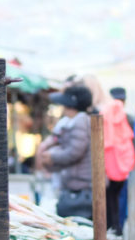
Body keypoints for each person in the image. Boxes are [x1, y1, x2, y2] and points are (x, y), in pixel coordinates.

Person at [81, 75, 134, 233]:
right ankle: (117, 236)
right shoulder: (124, 116)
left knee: (108, 208)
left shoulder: (99, 113)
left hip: (106, 169)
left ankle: (113, 239)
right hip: (121, 169)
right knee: (115, 206)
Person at [36, 84, 93, 219]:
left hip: (81, 186)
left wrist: (52, 157)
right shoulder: (72, 122)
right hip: (76, 184)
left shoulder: (80, 122)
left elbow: (75, 152)